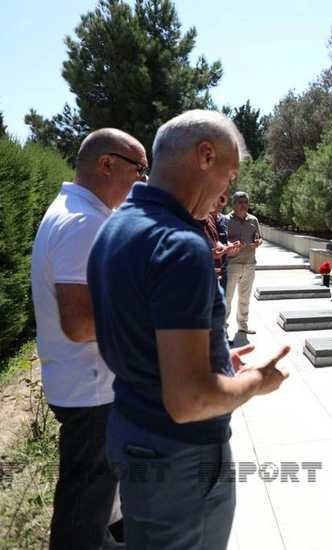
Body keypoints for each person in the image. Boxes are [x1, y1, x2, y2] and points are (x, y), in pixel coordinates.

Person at [87, 110, 290, 548]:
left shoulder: (115, 227)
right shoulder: (180, 244)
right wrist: (257, 382)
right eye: (229, 174)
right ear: (205, 155)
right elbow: (189, 400)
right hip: (181, 458)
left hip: (132, 432)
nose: (225, 193)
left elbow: (131, 336)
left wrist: (213, 357)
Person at [31, 128, 148, 549]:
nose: (144, 180)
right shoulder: (83, 222)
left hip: (88, 387)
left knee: (101, 505)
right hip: (92, 393)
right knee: (82, 517)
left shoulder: (80, 213)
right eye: (140, 169)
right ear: (107, 164)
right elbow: (80, 324)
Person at [225, 191, 263, 336]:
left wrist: (258, 242)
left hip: (249, 264)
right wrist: (232, 243)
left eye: (246, 202)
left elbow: (259, 237)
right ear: (233, 204)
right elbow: (221, 241)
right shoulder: (226, 220)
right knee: (227, 298)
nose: (244, 205)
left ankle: (243, 325)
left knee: (245, 298)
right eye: (240, 202)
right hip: (231, 265)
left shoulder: (254, 220)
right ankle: (223, 328)